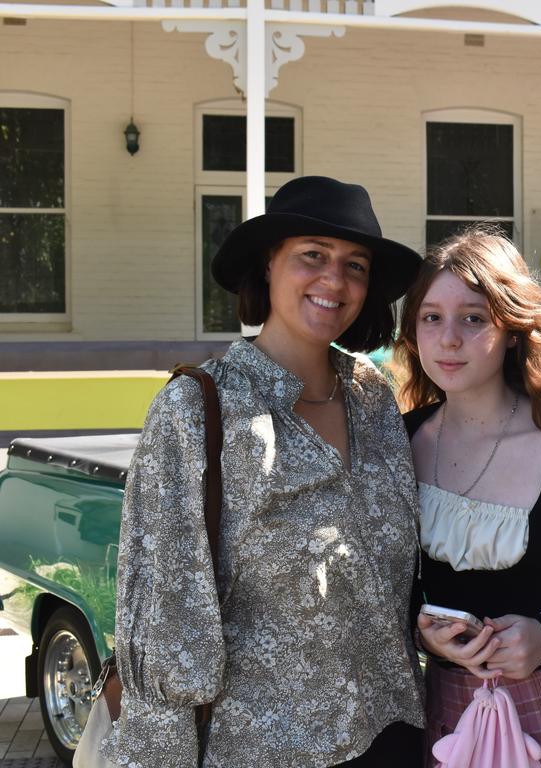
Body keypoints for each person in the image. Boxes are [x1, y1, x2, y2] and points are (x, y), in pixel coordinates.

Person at [102, 176, 427, 767]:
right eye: (313, 256)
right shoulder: (199, 410)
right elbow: (167, 611)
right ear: (269, 265)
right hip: (260, 746)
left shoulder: (374, 399)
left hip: (389, 730)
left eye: (356, 265)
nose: (336, 279)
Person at [396, 230, 541, 768]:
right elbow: (385, 586)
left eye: (473, 318)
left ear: (513, 329)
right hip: (444, 718)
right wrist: (425, 635)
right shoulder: (395, 443)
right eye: (431, 317)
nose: (448, 338)